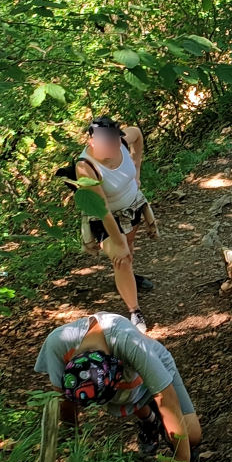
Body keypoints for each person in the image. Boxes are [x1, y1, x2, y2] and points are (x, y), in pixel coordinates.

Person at [34, 312, 202, 462]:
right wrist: (73, 444)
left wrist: (181, 459)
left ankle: (158, 415)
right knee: (127, 395)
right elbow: (63, 399)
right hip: (124, 384)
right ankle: (150, 420)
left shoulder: (128, 340)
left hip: (157, 368)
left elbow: (165, 396)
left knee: (192, 436)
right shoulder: (56, 344)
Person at [74, 116, 155, 333]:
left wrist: (136, 168)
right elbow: (102, 210)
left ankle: (129, 280)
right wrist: (118, 243)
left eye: (115, 141)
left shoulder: (124, 139)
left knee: (129, 248)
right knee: (122, 258)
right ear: (92, 142)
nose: (113, 147)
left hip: (132, 205)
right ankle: (135, 310)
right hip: (105, 218)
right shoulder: (85, 167)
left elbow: (137, 133)